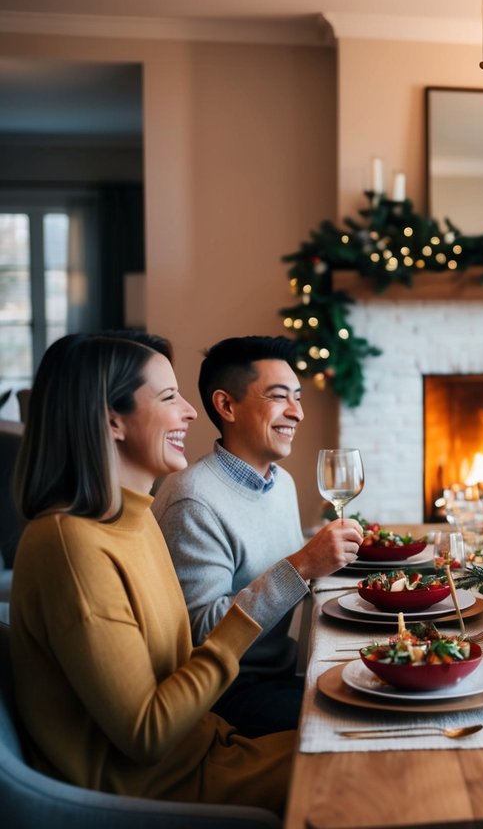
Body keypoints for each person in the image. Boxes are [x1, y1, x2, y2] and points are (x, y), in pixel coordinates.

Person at [8, 332, 292, 811]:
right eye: (168, 397)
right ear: (112, 420)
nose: (191, 411)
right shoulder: (70, 546)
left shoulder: (134, 519)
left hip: (210, 749)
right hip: (162, 791)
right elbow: (147, 734)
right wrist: (241, 625)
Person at [152, 336, 362, 737]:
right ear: (226, 405)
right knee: (354, 721)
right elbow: (204, 635)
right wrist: (303, 564)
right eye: (279, 397)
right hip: (226, 694)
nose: (297, 413)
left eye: (298, 397)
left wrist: (324, 553)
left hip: (279, 670)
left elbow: (273, 563)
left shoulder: (279, 482)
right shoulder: (193, 501)